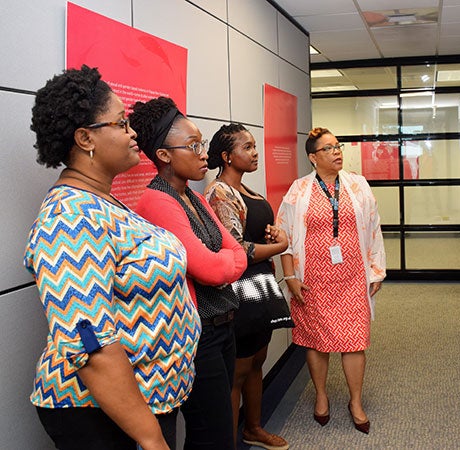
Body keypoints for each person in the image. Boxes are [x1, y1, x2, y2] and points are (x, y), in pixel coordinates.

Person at [24, 65, 200, 450]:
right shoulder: (70, 217)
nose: (133, 132)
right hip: (100, 412)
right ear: (85, 137)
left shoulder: (101, 200)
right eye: (121, 123)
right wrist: (153, 440)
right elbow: (88, 344)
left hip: (142, 401)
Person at [129, 98, 248, 450]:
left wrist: (224, 263)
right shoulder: (157, 201)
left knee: (215, 430)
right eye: (194, 146)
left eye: (203, 144)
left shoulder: (194, 198)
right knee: (213, 435)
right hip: (200, 336)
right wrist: (223, 264)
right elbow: (209, 268)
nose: (204, 154)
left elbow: (236, 252)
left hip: (224, 324)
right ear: (164, 155)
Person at [277, 127, 386, 434]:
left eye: (338, 146)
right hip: (313, 279)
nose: (337, 152)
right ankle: (321, 396)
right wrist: (289, 277)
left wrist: (377, 269)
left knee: (355, 340)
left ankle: (355, 401)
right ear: (313, 158)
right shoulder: (298, 190)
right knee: (317, 340)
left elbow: (374, 227)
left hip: (352, 276)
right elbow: (284, 236)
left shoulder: (358, 185)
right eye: (328, 149)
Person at [204, 124, 289, 450]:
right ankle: (230, 443)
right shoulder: (219, 193)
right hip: (237, 290)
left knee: (257, 362)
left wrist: (274, 236)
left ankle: (253, 428)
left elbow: (257, 235)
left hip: (260, 286)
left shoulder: (247, 190)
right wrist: (280, 247)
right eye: (247, 147)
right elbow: (238, 249)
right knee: (237, 372)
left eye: (255, 146)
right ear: (227, 156)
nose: (255, 153)